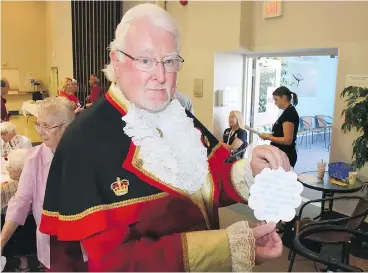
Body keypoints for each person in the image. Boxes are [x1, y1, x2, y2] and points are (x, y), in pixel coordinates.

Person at [40, 4, 290, 272]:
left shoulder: (177, 116)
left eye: (170, 61)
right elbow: (116, 264)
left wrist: (251, 170)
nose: (160, 76)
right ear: (116, 60)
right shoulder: (83, 141)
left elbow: (207, 186)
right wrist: (228, 247)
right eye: (145, 60)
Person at [0, 97, 83, 271]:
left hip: (85, 240)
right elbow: (21, 201)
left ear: (66, 127)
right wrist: (1, 242)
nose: (40, 131)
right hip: (53, 244)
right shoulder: (34, 158)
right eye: (38, 124)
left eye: (46, 126)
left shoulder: (87, 154)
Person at [1, 149, 36, 272]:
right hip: (32, 229)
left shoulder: (8, 188)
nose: (7, 168)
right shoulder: (36, 183)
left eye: (9, 166)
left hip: (16, 232)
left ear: (18, 171)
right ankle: (25, 265)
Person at [260, 86, 300, 167]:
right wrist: (269, 135)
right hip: (280, 154)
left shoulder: (289, 114)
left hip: (285, 155)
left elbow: (287, 140)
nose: (275, 103)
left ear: (284, 98)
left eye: (276, 99)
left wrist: (268, 137)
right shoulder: (287, 112)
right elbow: (280, 134)